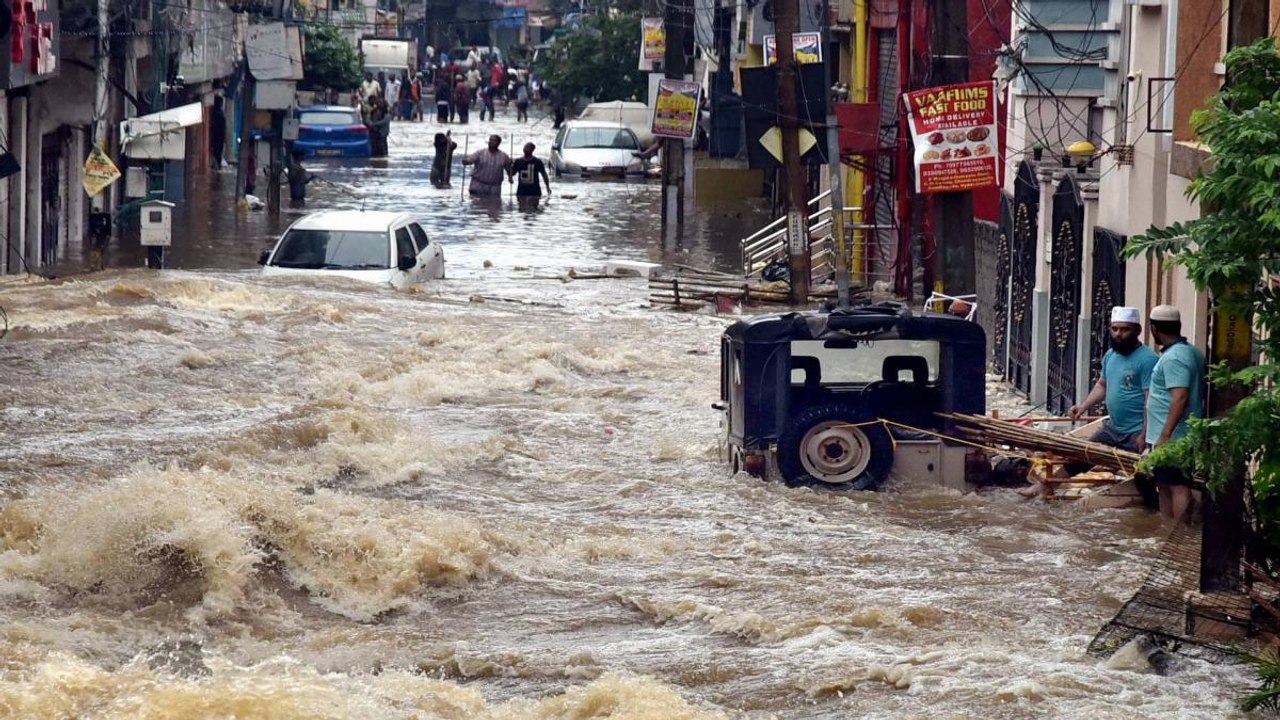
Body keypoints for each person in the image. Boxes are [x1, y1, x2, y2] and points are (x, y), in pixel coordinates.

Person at [1144, 304, 1207, 521]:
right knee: (1164, 484)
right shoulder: (1189, 352)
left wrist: (1165, 435)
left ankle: (1181, 532)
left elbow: (1180, 396)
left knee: (1178, 485)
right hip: (1170, 435)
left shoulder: (1175, 358)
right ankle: (1167, 529)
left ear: (1153, 329)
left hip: (1175, 437)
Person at [209, 96, 226, 169]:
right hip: (218, 137)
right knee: (217, 152)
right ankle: (217, 166)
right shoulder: (219, 113)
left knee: (216, 152)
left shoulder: (216, 112)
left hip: (217, 137)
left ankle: (216, 166)